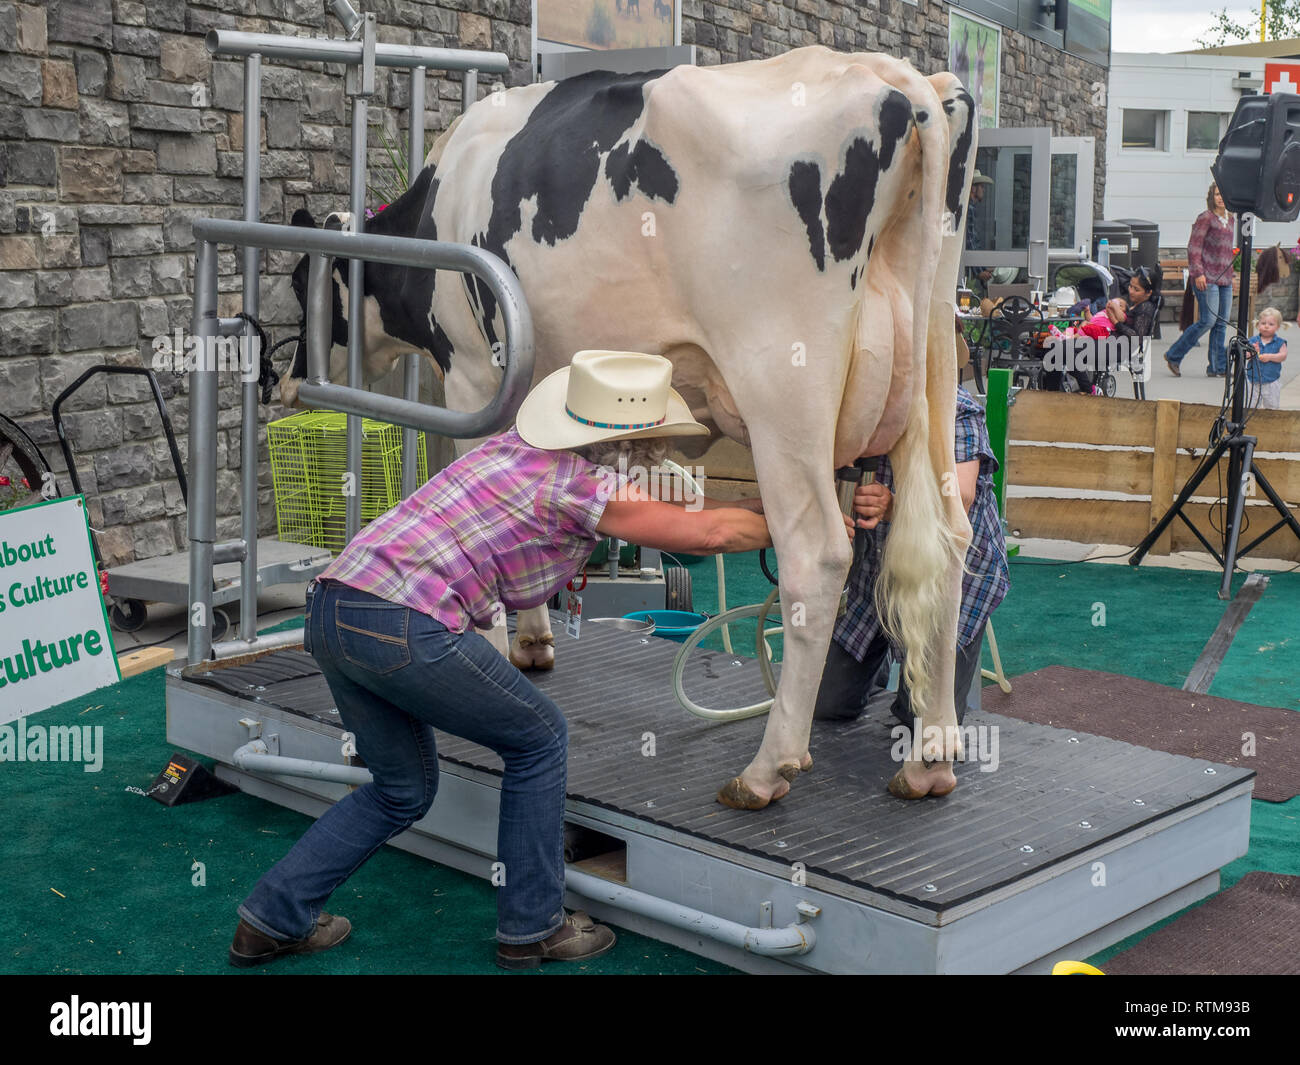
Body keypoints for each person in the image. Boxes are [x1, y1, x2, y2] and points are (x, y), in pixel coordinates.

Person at [228, 350, 789, 970]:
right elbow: (709, 534)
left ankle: (271, 918)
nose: (656, 456)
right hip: (404, 619)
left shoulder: (504, 451)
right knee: (539, 738)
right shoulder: (580, 484)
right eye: (651, 442)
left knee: (400, 788)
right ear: (631, 439)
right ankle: (532, 927)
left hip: (334, 610)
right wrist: (797, 522)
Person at [813, 368, 1010, 799]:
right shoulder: (855, 406)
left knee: (920, 723)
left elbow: (960, 496)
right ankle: (879, 657)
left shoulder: (956, 408)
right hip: (874, 580)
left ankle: (909, 678)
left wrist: (891, 503)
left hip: (946, 583)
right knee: (826, 705)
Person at [1164, 183, 1235, 378]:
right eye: (1217, 194)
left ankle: (1217, 367)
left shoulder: (1231, 219)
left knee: (1221, 323)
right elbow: (1194, 247)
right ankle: (1174, 355)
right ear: (1211, 197)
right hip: (1207, 277)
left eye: (1223, 194)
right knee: (1208, 321)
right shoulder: (1205, 218)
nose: (1220, 198)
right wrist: (1198, 273)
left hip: (1225, 279)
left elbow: (1227, 250)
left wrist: (1232, 274)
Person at [1247, 306, 1288, 410]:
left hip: (1271, 381)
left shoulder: (1280, 342)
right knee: (1251, 406)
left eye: (1271, 324)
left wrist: (1270, 357)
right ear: (1258, 324)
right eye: (1263, 323)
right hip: (1253, 380)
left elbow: (1283, 356)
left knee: (1272, 407)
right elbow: (1245, 355)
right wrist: (1251, 352)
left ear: (1278, 327)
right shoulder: (1253, 341)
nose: (1266, 326)